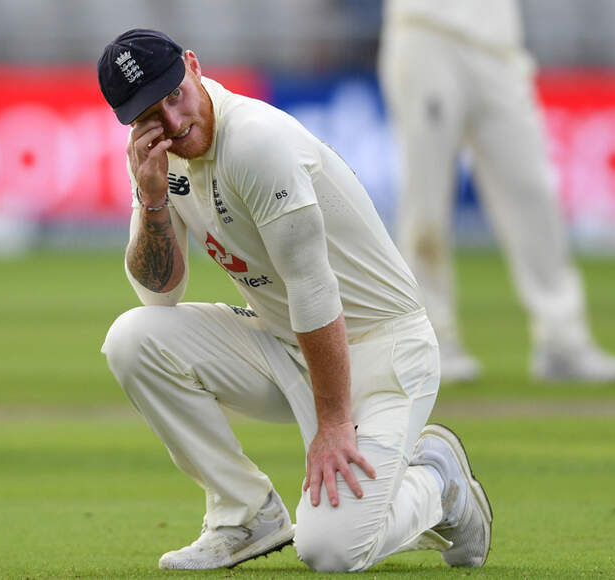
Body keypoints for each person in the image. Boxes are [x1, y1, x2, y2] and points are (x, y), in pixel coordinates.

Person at [96, 29, 492, 572]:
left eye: (175, 95)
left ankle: (437, 483)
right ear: (129, 122)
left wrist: (333, 423)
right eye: (149, 114)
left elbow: (313, 285)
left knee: (330, 549)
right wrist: (152, 199)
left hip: (382, 351)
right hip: (289, 345)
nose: (173, 120)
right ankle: (245, 514)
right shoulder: (154, 161)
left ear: (194, 65)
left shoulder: (256, 140)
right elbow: (158, 293)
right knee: (133, 339)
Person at [378, 0, 615, 383]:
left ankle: (562, 342)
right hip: (427, 32)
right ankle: (428, 342)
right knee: (426, 200)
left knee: (533, 192)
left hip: (498, 45)